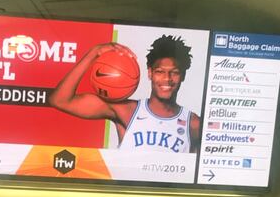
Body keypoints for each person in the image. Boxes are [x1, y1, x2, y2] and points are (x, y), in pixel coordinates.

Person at [49, 35, 200, 153]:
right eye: (160, 72)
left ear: (183, 76)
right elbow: (60, 100)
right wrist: (93, 53)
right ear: (150, 73)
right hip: (125, 192)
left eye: (174, 73)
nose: (167, 79)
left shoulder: (194, 124)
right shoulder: (127, 111)